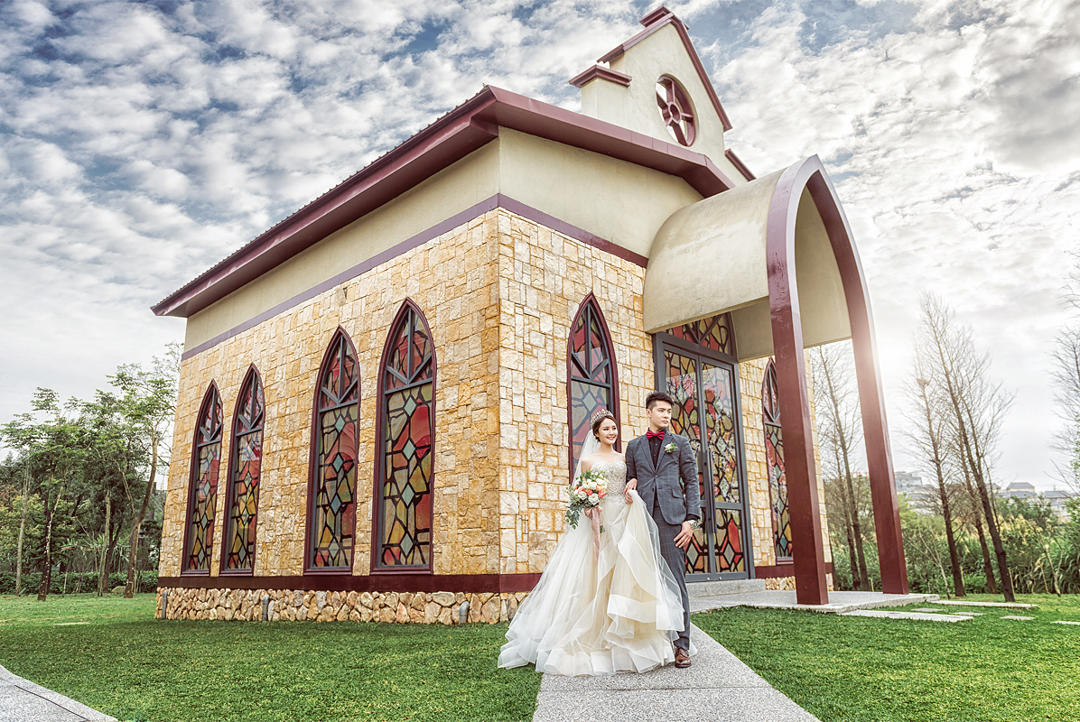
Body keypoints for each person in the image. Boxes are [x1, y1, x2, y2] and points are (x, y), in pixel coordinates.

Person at [497, 405, 694, 676]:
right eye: (606, 429)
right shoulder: (589, 461)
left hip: (624, 519)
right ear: (597, 433)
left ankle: (654, 638)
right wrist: (590, 507)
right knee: (596, 576)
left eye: (614, 428)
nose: (611, 432)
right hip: (601, 520)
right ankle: (597, 635)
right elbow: (580, 494)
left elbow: (634, 479)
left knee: (626, 575)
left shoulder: (627, 456)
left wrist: (633, 487)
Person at [624, 391, 701, 668]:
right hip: (642, 519)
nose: (666, 415)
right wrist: (631, 482)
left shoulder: (680, 444)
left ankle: (682, 646)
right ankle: (652, 642)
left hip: (672, 521)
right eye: (661, 410)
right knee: (644, 580)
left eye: (669, 411)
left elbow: (692, 483)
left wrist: (691, 520)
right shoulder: (633, 446)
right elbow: (630, 477)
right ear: (648, 412)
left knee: (677, 582)